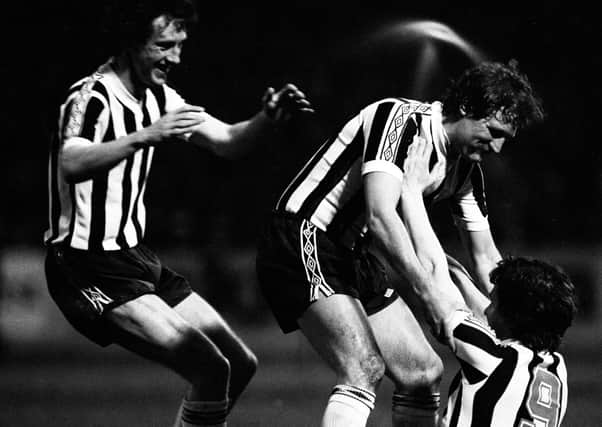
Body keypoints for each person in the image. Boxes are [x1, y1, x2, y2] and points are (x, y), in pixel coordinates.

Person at [44, 1, 313, 426]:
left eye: (180, 45)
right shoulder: (90, 95)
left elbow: (226, 140)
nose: (176, 58)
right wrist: (146, 135)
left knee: (240, 363)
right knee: (210, 367)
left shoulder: (160, 97)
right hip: (86, 264)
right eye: (164, 45)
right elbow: (72, 162)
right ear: (132, 42)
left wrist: (266, 119)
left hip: (137, 258)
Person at [255, 60, 544, 426]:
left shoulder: (466, 169)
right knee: (363, 368)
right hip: (303, 236)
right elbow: (380, 216)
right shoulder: (400, 119)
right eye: (495, 131)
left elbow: (486, 256)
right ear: (468, 109)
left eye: (507, 138)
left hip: (351, 256)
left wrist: (526, 331)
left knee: (422, 374)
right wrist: (428, 291)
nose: (499, 148)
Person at [394, 136, 577, 426]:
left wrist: (411, 191)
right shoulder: (556, 370)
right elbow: (458, 284)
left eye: (494, 303)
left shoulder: (490, 357)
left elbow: (435, 276)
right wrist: (454, 272)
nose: (487, 310)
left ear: (513, 318)